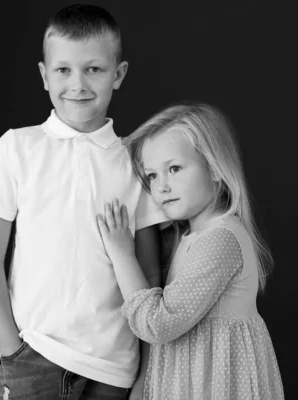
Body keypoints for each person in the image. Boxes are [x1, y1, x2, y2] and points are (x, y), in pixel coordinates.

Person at [0, 4, 168, 399]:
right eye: (63, 70)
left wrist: (145, 372)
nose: (77, 84)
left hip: (114, 368)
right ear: (44, 76)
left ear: (118, 74)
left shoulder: (136, 161)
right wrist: (11, 349)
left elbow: (150, 274)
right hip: (34, 356)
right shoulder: (17, 148)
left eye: (93, 69)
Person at [96, 103, 285, 399]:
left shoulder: (219, 238)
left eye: (174, 169)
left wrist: (122, 255)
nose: (162, 186)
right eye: (152, 176)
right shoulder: (192, 235)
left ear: (215, 169)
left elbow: (158, 324)